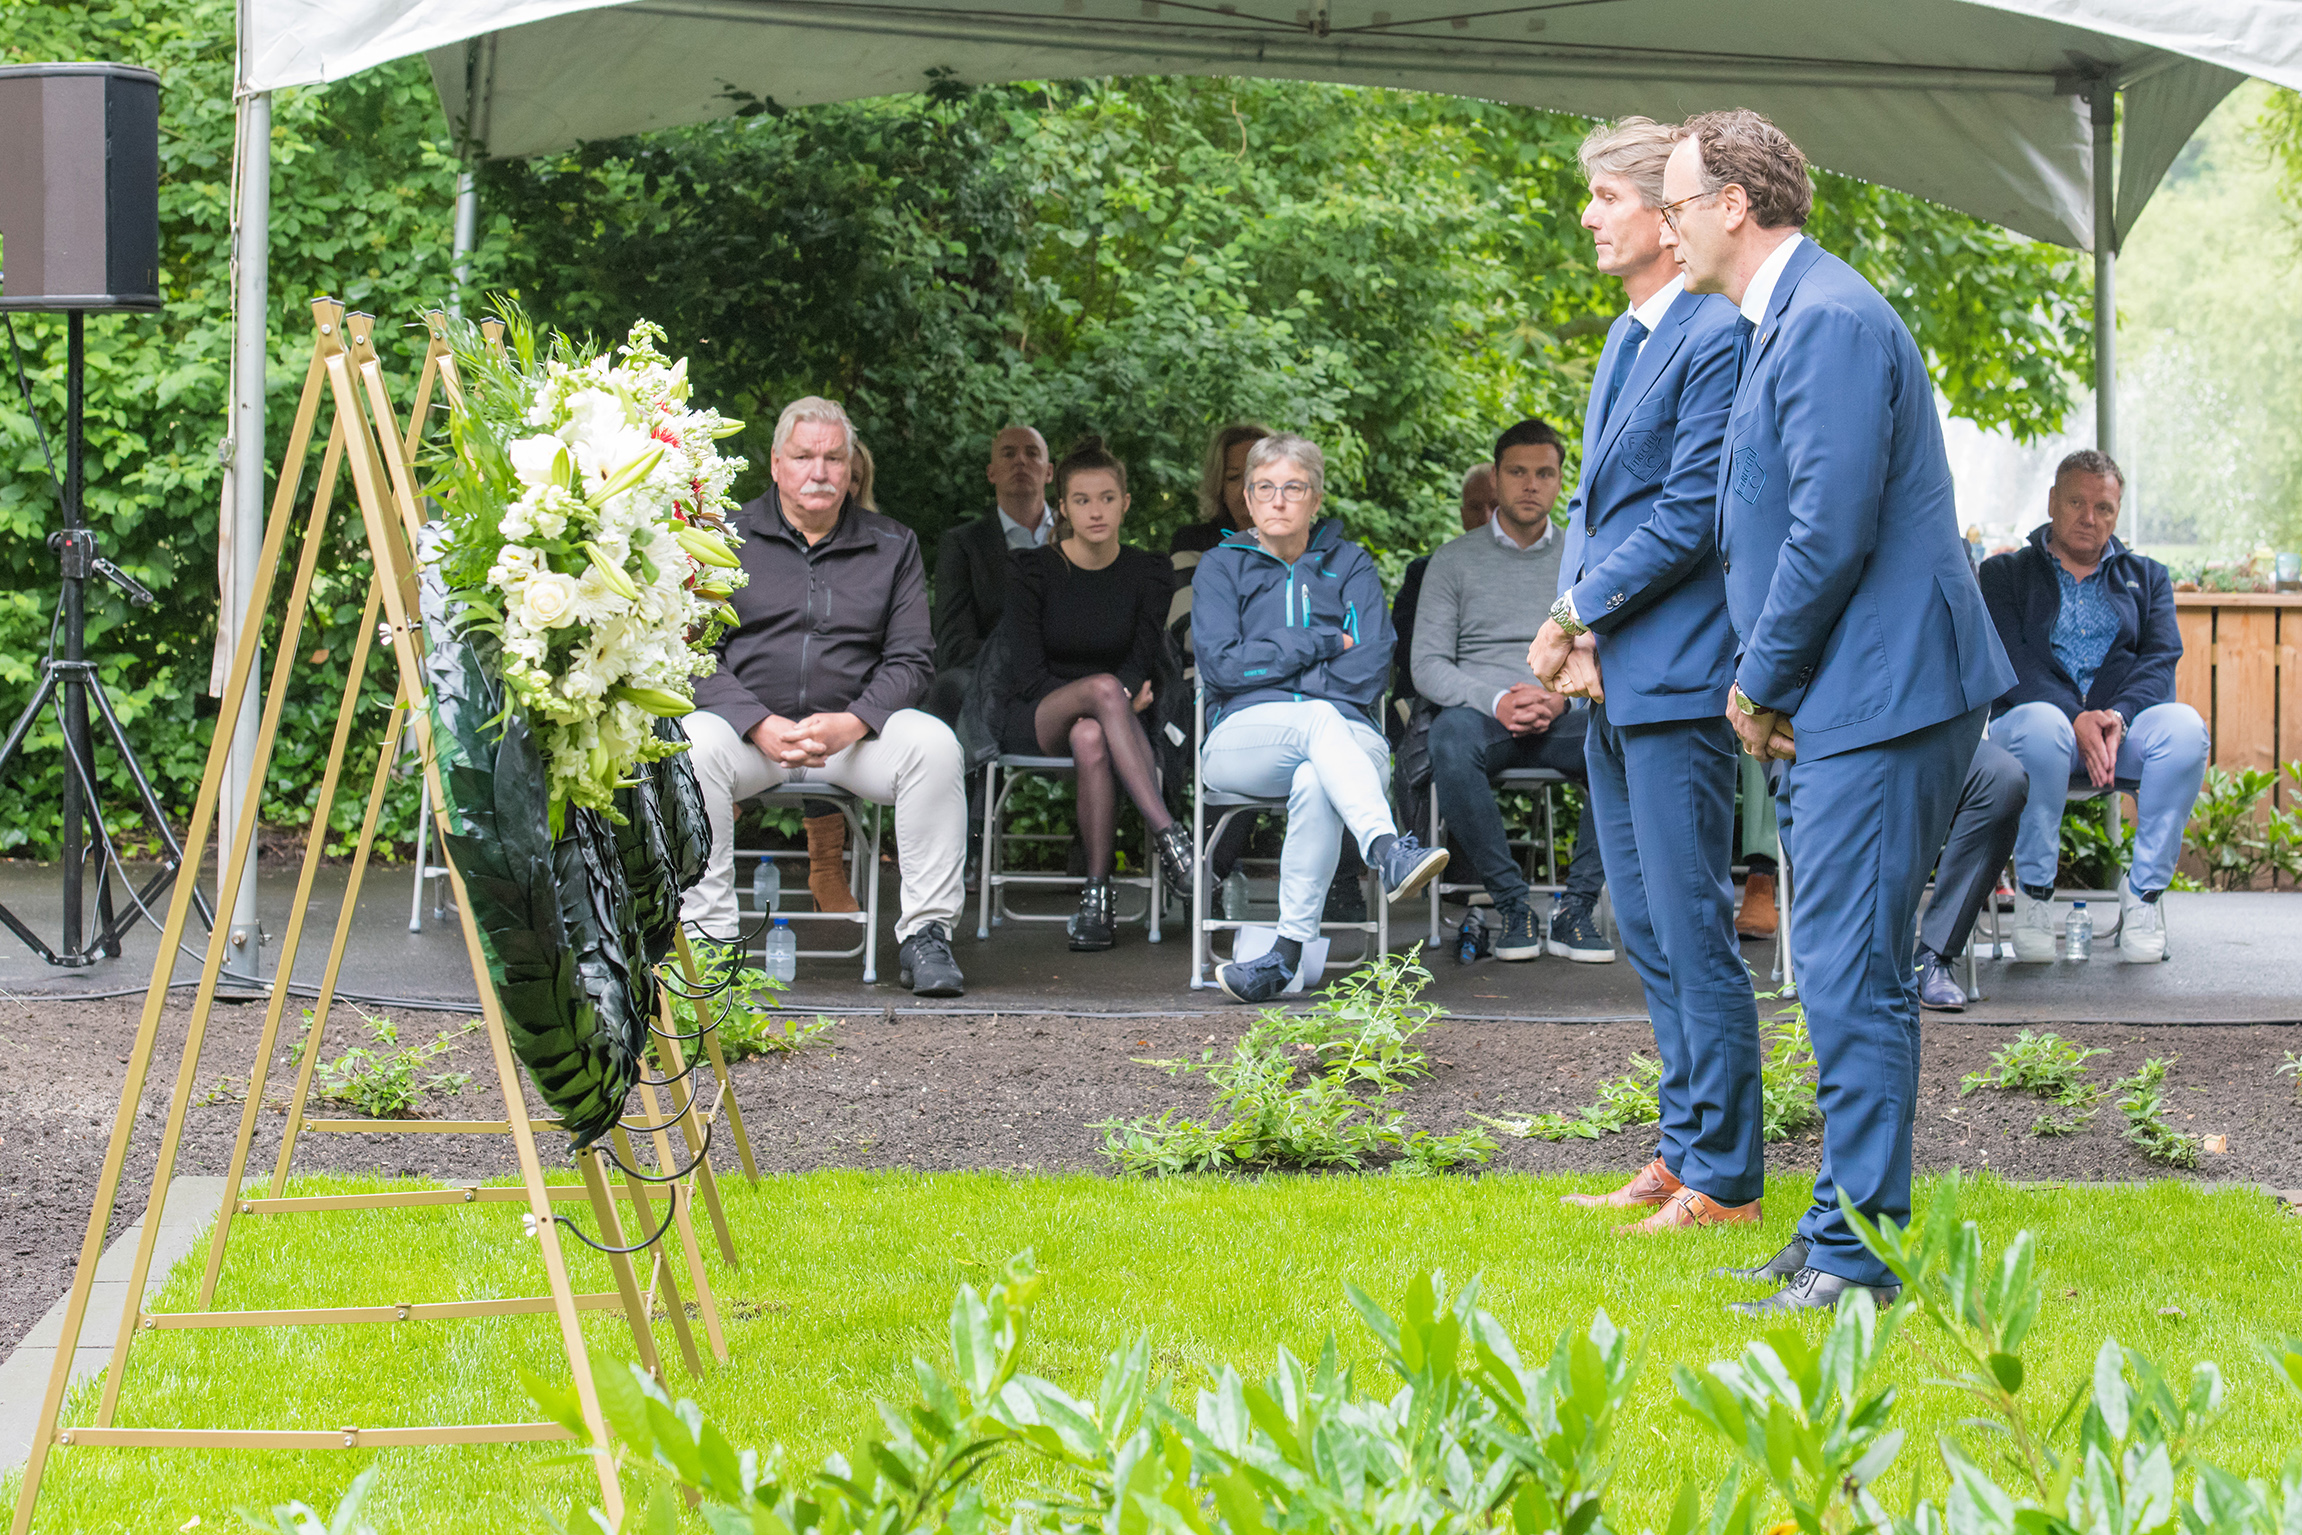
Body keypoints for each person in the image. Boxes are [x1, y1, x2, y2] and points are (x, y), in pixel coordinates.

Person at [1662, 110, 2013, 1313]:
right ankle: (1830, 1231)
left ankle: (1856, 1259)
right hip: (1857, 691)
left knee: (1850, 974)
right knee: (1833, 969)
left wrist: (1759, 680)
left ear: (1733, 204)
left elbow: (1827, 530)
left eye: (1675, 202)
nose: (1665, 224)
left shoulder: (1826, 320)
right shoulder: (1789, 317)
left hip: (1881, 692)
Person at [1522, 115, 1755, 1232]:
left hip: (1677, 678)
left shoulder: (1714, 336)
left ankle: (1727, 1177)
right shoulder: (1627, 339)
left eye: (1605, 197)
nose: (1588, 216)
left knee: (1692, 921)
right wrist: (1577, 637)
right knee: (1643, 925)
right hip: (1615, 675)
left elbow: (1686, 519)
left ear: (1666, 219)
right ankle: (1679, 1149)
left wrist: (1578, 612)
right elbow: (1594, 509)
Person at [686, 396, 970, 998]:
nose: (819, 471)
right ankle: (707, 940)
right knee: (690, 743)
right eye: (804, 456)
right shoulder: (723, 538)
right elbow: (691, 657)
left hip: (850, 738)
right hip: (750, 737)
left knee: (935, 745)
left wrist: (856, 721)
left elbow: (913, 658)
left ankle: (926, 934)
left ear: (851, 469)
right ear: (776, 464)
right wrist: (756, 720)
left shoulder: (892, 545)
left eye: (833, 458)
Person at [1194, 432, 1449, 1003]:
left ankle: (1284, 957)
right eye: (1264, 487)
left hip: (1347, 737)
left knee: (1317, 772)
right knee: (1314, 724)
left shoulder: (1350, 563)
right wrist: (1318, 641)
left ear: (1316, 497)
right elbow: (1224, 668)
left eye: (1293, 487)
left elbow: (1368, 669)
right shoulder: (1219, 567)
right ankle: (1387, 847)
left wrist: (1280, 665)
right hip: (1246, 738)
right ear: (1248, 499)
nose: (1277, 500)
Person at [1979, 450, 2205, 964]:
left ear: (2117, 513)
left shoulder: (2147, 577)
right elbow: (2007, 657)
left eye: (2103, 507)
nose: (2089, 517)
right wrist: (2071, 714)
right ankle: (2035, 894)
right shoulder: (2004, 575)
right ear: (2053, 501)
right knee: (2041, 726)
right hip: (2035, 735)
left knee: (2185, 729)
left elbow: (2160, 658)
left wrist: (2117, 716)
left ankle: (2144, 894)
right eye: (2077, 502)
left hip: (2116, 739)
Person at [1414, 419, 1609, 963]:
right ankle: (1512, 904)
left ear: (1561, 481)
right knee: (1447, 738)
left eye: (1544, 473)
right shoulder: (1453, 560)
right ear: (1495, 478)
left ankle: (1577, 909)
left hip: (1563, 712)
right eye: (1517, 472)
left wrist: (1563, 697)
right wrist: (1497, 699)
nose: (1530, 484)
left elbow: (1610, 653)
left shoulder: (1584, 559)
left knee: (1619, 733)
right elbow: (1427, 665)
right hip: (1483, 715)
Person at [992, 436, 1192, 949]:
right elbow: (1029, 674)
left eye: (1107, 498)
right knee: (1099, 694)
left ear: (1125, 502)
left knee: (1091, 738)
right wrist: (1111, 700)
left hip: (1115, 720)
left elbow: (1142, 656)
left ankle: (1097, 898)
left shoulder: (1149, 571)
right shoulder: (1031, 570)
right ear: (1063, 506)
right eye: (1081, 500)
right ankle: (1172, 840)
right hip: (1039, 711)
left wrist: (1110, 707)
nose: (1095, 511)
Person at [929, 425, 1055, 722]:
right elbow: (954, 646)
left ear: (1049, 472)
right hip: (990, 678)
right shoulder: (963, 544)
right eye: (1008, 454)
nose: (1020, 461)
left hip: (1073, 676)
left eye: (1032, 453)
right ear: (991, 473)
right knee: (948, 689)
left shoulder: (1078, 536)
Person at [1911, 738, 2031, 1010]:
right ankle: (1848, 959)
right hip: (1841, 737)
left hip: (1928, 735)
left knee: (2002, 779)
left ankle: (1934, 953)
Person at [1170, 421, 1271, 557]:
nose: (1247, 486)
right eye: (1234, 477)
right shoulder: (1193, 542)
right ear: (1218, 485)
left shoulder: (1305, 542)